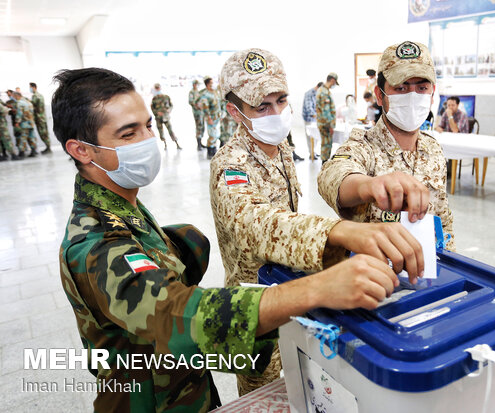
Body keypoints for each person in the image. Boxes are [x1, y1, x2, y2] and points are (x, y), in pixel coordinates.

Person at [53, 67, 402, 412]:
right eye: (128, 134)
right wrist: (318, 288)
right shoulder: (96, 241)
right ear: (82, 150)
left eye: (148, 126)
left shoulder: (123, 205)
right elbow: (176, 318)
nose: (147, 141)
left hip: (183, 390)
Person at [211, 48, 425, 396]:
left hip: (296, 294)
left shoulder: (278, 148)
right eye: (262, 107)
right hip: (258, 311)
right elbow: (256, 223)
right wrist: (341, 232)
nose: (277, 113)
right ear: (235, 111)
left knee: (304, 388)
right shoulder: (230, 165)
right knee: (266, 396)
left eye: (281, 100)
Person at [318, 41, 455, 251]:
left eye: (421, 88)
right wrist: (369, 186)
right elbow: (332, 176)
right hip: (376, 274)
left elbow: (443, 222)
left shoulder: (433, 149)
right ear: (380, 95)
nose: (412, 96)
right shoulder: (364, 147)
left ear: (432, 93)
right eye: (401, 88)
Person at [151, 83, 181, 150]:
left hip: (166, 117)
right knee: (161, 132)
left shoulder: (166, 97)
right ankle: (165, 145)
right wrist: (157, 113)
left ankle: (177, 144)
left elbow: (171, 105)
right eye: (156, 88)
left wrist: (169, 110)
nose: (157, 89)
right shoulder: (154, 99)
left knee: (171, 131)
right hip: (158, 118)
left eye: (158, 87)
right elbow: (152, 108)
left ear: (160, 88)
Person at [197, 76, 221, 158]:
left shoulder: (215, 92)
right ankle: (210, 152)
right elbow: (205, 109)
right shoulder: (205, 95)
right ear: (207, 84)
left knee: (215, 134)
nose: (213, 85)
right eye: (211, 83)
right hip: (211, 118)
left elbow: (219, 103)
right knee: (212, 135)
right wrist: (209, 118)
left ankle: (214, 149)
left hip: (216, 117)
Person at [316, 73, 338, 163]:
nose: (334, 85)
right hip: (325, 123)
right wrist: (330, 126)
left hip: (323, 122)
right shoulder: (324, 92)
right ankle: (324, 164)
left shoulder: (323, 90)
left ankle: (324, 163)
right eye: (335, 83)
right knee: (326, 144)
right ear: (332, 80)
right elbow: (325, 111)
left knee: (326, 144)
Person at [29, 82, 52, 154]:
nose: (30, 89)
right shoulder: (40, 95)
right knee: (44, 133)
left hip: (39, 118)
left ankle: (48, 148)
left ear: (33, 87)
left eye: (30, 87)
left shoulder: (35, 96)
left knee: (43, 133)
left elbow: (32, 105)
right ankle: (48, 147)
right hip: (42, 118)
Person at [13, 91, 38, 157]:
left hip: (24, 124)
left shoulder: (19, 103)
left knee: (22, 138)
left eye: (14, 96)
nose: (13, 98)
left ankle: (21, 153)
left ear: (16, 96)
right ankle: (34, 151)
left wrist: (17, 122)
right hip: (31, 123)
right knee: (31, 137)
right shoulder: (28, 102)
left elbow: (19, 113)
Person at [302, 82, 322, 160]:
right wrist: (317, 116)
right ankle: (311, 154)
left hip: (315, 118)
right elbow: (309, 108)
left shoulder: (317, 93)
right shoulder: (309, 94)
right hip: (309, 119)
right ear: (318, 87)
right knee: (310, 136)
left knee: (316, 135)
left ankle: (314, 152)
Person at [188, 79, 206, 151]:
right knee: (199, 127)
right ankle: (198, 144)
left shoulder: (198, 91)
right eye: (196, 84)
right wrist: (197, 106)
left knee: (202, 127)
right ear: (194, 84)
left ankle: (201, 143)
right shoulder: (192, 92)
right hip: (197, 113)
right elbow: (191, 101)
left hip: (202, 112)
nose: (197, 85)